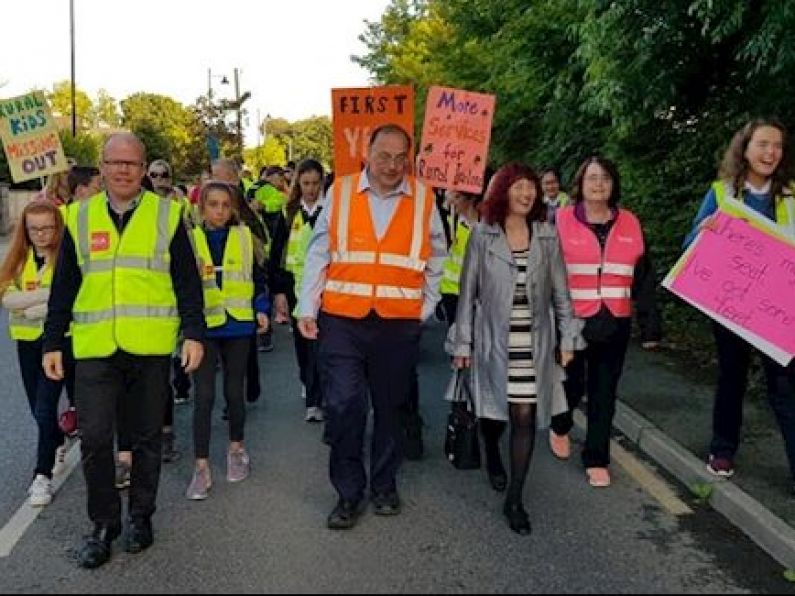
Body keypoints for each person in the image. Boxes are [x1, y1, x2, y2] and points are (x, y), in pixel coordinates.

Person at [42, 133, 205, 569]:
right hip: (95, 348)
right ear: (102, 166)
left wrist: (193, 332)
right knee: (95, 438)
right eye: (115, 162)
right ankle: (103, 525)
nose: (123, 170)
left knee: (147, 438)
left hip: (149, 348)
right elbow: (64, 286)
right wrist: (52, 341)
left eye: (131, 163)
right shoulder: (78, 216)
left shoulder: (168, 215)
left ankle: (140, 517)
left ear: (142, 167)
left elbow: (188, 282)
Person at [298, 124, 446, 529]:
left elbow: (437, 256)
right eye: (384, 155)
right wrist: (306, 307)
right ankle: (348, 493)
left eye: (401, 157)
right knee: (344, 405)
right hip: (342, 319)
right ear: (368, 151)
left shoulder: (424, 198)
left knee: (390, 409)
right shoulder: (340, 192)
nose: (392, 165)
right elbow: (318, 252)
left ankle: (384, 485)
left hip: (398, 324)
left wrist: (425, 309)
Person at [448, 163, 583, 535]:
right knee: (493, 415)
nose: (527, 194)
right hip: (492, 342)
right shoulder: (482, 236)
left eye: (532, 189)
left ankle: (515, 499)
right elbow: (467, 295)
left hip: (533, 344)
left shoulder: (547, 236)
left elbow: (561, 294)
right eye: (519, 187)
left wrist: (569, 339)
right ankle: (491, 452)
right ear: (503, 191)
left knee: (524, 417)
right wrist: (463, 343)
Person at [683, 119, 795, 486]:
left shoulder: (791, 195)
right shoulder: (721, 193)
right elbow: (690, 249)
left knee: (784, 387)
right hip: (732, 309)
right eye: (762, 144)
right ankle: (722, 449)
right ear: (745, 149)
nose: (770, 152)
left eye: (776, 145)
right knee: (732, 377)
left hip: (778, 312)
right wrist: (702, 232)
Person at [551, 155, 661, 488]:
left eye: (605, 179)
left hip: (615, 319)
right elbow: (547, 274)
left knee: (604, 391)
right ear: (580, 185)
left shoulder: (630, 222)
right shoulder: (561, 220)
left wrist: (650, 325)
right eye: (592, 178)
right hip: (573, 321)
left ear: (613, 185)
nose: (599, 185)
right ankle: (560, 422)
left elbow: (643, 276)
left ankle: (596, 458)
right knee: (571, 384)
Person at [186, 181, 270, 500]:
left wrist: (261, 309)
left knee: (234, 392)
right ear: (202, 208)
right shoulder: (191, 241)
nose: (219, 211)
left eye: (225, 205)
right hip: (205, 327)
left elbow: (259, 277)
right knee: (203, 397)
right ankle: (201, 466)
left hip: (238, 325)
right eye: (213, 205)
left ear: (233, 207)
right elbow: (183, 286)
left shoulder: (246, 237)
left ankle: (236, 449)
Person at [0, 201, 73, 507]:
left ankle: (41, 476)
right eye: (34, 229)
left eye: (47, 228)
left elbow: (71, 296)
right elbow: (7, 298)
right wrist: (47, 296)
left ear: (57, 228)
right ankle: (55, 440)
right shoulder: (18, 259)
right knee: (36, 409)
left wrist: (34, 303)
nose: (41, 235)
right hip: (27, 343)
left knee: (45, 409)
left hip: (59, 343)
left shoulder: (67, 258)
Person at [270, 159, 326, 421]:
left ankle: (317, 399)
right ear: (298, 184)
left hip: (326, 288)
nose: (311, 189)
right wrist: (279, 291)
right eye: (305, 183)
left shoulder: (331, 210)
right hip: (296, 288)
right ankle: (309, 380)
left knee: (322, 344)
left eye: (315, 183)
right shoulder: (289, 212)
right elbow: (278, 253)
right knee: (303, 343)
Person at [212, 158, 269, 399]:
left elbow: (259, 238)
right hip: (217, 289)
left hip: (245, 280)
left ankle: (249, 385)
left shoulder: (242, 206)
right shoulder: (208, 203)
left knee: (246, 343)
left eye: (218, 176)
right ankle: (236, 393)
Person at [439, 186, 485, 326]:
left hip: (477, 292)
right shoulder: (448, 223)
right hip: (451, 291)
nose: (453, 201)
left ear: (470, 199)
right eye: (452, 197)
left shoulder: (486, 224)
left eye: (458, 197)